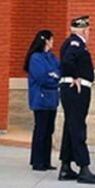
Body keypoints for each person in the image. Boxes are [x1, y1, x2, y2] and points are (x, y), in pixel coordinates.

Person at [57, 15, 95, 183]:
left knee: (71, 127)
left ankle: (65, 166)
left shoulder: (71, 43)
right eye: (88, 30)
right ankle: (84, 168)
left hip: (73, 90)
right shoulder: (76, 43)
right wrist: (75, 76)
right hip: (76, 90)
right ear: (84, 30)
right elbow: (68, 61)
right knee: (77, 127)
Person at [23, 29, 60, 171]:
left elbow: (59, 71)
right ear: (46, 40)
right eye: (51, 40)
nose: (53, 43)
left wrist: (54, 76)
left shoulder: (51, 57)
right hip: (41, 98)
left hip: (52, 99)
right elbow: (42, 77)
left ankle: (46, 160)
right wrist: (53, 77)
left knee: (49, 130)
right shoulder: (36, 58)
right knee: (41, 130)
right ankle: (37, 161)